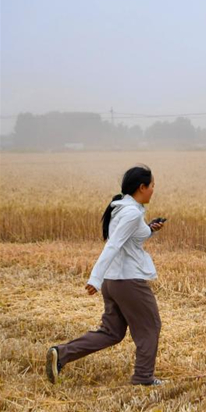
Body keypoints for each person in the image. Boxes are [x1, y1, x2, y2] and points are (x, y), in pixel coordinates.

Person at [46, 165, 166, 386]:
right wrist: (95, 278)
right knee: (150, 326)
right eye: (152, 186)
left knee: (111, 332)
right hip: (127, 281)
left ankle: (62, 354)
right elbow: (113, 245)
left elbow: (129, 240)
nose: (153, 190)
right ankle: (143, 377)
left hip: (115, 281)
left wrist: (149, 229)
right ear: (142, 187)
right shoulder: (131, 213)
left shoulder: (124, 209)